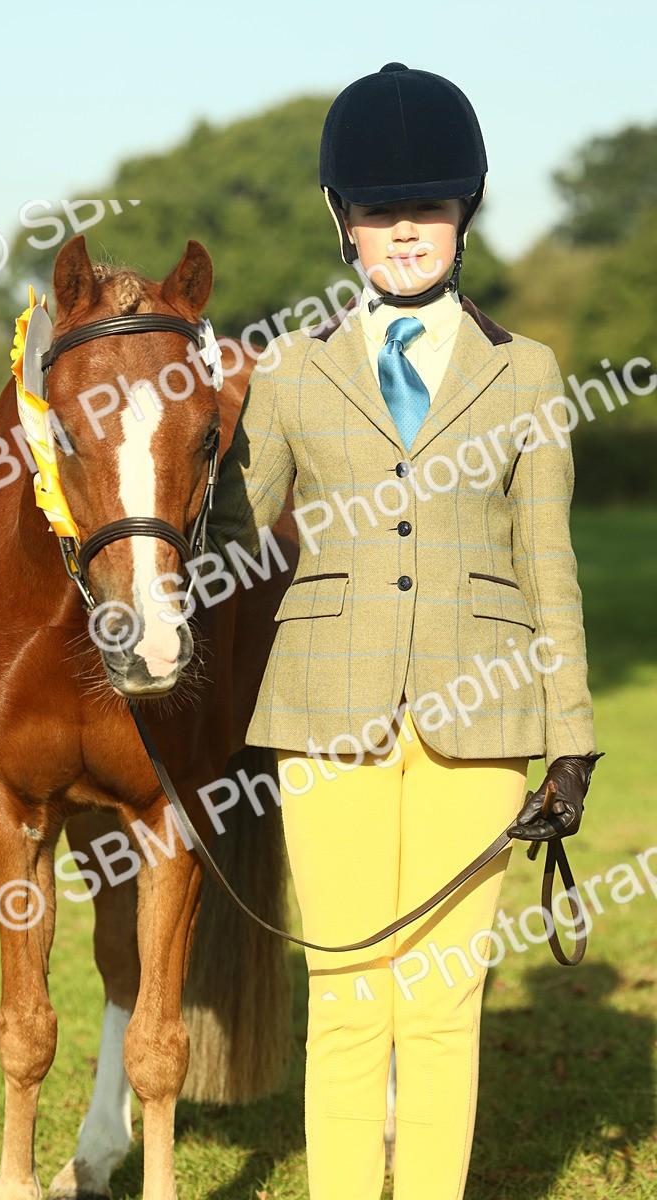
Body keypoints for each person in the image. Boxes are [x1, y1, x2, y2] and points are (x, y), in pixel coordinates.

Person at [203, 62, 602, 1200]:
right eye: (379, 210)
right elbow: (236, 530)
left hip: (482, 724)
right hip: (322, 716)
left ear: (463, 212)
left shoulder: (525, 375)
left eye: (426, 207)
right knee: (347, 995)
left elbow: (548, 564)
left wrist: (567, 734)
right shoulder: (287, 375)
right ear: (344, 222)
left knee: (438, 1004)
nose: (404, 230)